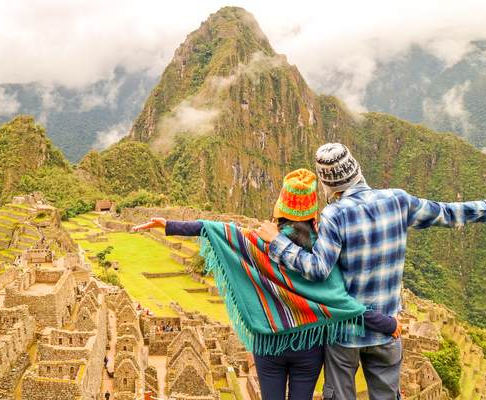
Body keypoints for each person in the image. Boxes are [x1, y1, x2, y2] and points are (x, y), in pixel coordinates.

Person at [257, 143, 486, 400]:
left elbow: (317, 270)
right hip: (387, 330)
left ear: (327, 186)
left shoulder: (335, 215)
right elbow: (446, 213)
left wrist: (277, 242)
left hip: (344, 334)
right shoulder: (398, 200)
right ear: (358, 171)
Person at [134, 169, 399, 400]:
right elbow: (342, 303)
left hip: (267, 344)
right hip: (308, 346)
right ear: (312, 215)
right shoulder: (321, 251)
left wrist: (168, 224)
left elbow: (219, 230)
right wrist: (387, 324)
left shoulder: (256, 243)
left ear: (279, 210)